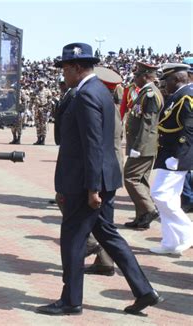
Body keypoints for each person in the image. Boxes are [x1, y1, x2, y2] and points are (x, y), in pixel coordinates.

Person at [37, 43, 162, 316]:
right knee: (109, 236)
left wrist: (92, 188)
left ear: (76, 68)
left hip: (86, 183)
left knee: (72, 240)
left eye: (65, 70)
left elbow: (92, 144)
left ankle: (71, 301)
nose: (63, 75)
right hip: (100, 178)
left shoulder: (86, 95)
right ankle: (144, 291)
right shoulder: (96, 91)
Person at [84, 66, 124, 276]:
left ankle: (93, 246)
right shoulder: (110, 104)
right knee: (105, 218)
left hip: (103, 168)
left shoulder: (105, 106)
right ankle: (105, 261)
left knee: (100, 218)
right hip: (108, 167)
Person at [150, 63, 193, 255]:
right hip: (168, 153)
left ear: (176, 79)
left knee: (160, 195)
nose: (164, 84)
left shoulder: (187, 96)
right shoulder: (178, 95)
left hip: (176, 154)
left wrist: (178, 156)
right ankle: (171, 242)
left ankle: (187, 231)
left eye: (166, 80)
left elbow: (189, 129)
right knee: (169, 198)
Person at [123, 62, 163, 229]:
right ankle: (142, 217)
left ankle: (149, 209)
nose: (135, 79)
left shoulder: (151, 94)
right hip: (143, 145)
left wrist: (137, 148)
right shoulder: (145, 93)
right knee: (141, 180)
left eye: (137, 76)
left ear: (146, 76)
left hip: (143, 146)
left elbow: (148, 124)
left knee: (130, 177)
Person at [33, 79, 52, 145]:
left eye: (41, 83)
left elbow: (50, 101)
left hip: (44, 109)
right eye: (39, 83)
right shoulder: (35, 91)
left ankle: (43, 139)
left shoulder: (47, 91)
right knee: (38, 124)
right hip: (37, 109)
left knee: (43, 125)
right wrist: (30, 109)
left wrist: (49, 110)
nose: (40, 84)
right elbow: (32, 100)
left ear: (44, 83)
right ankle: (39, 138)